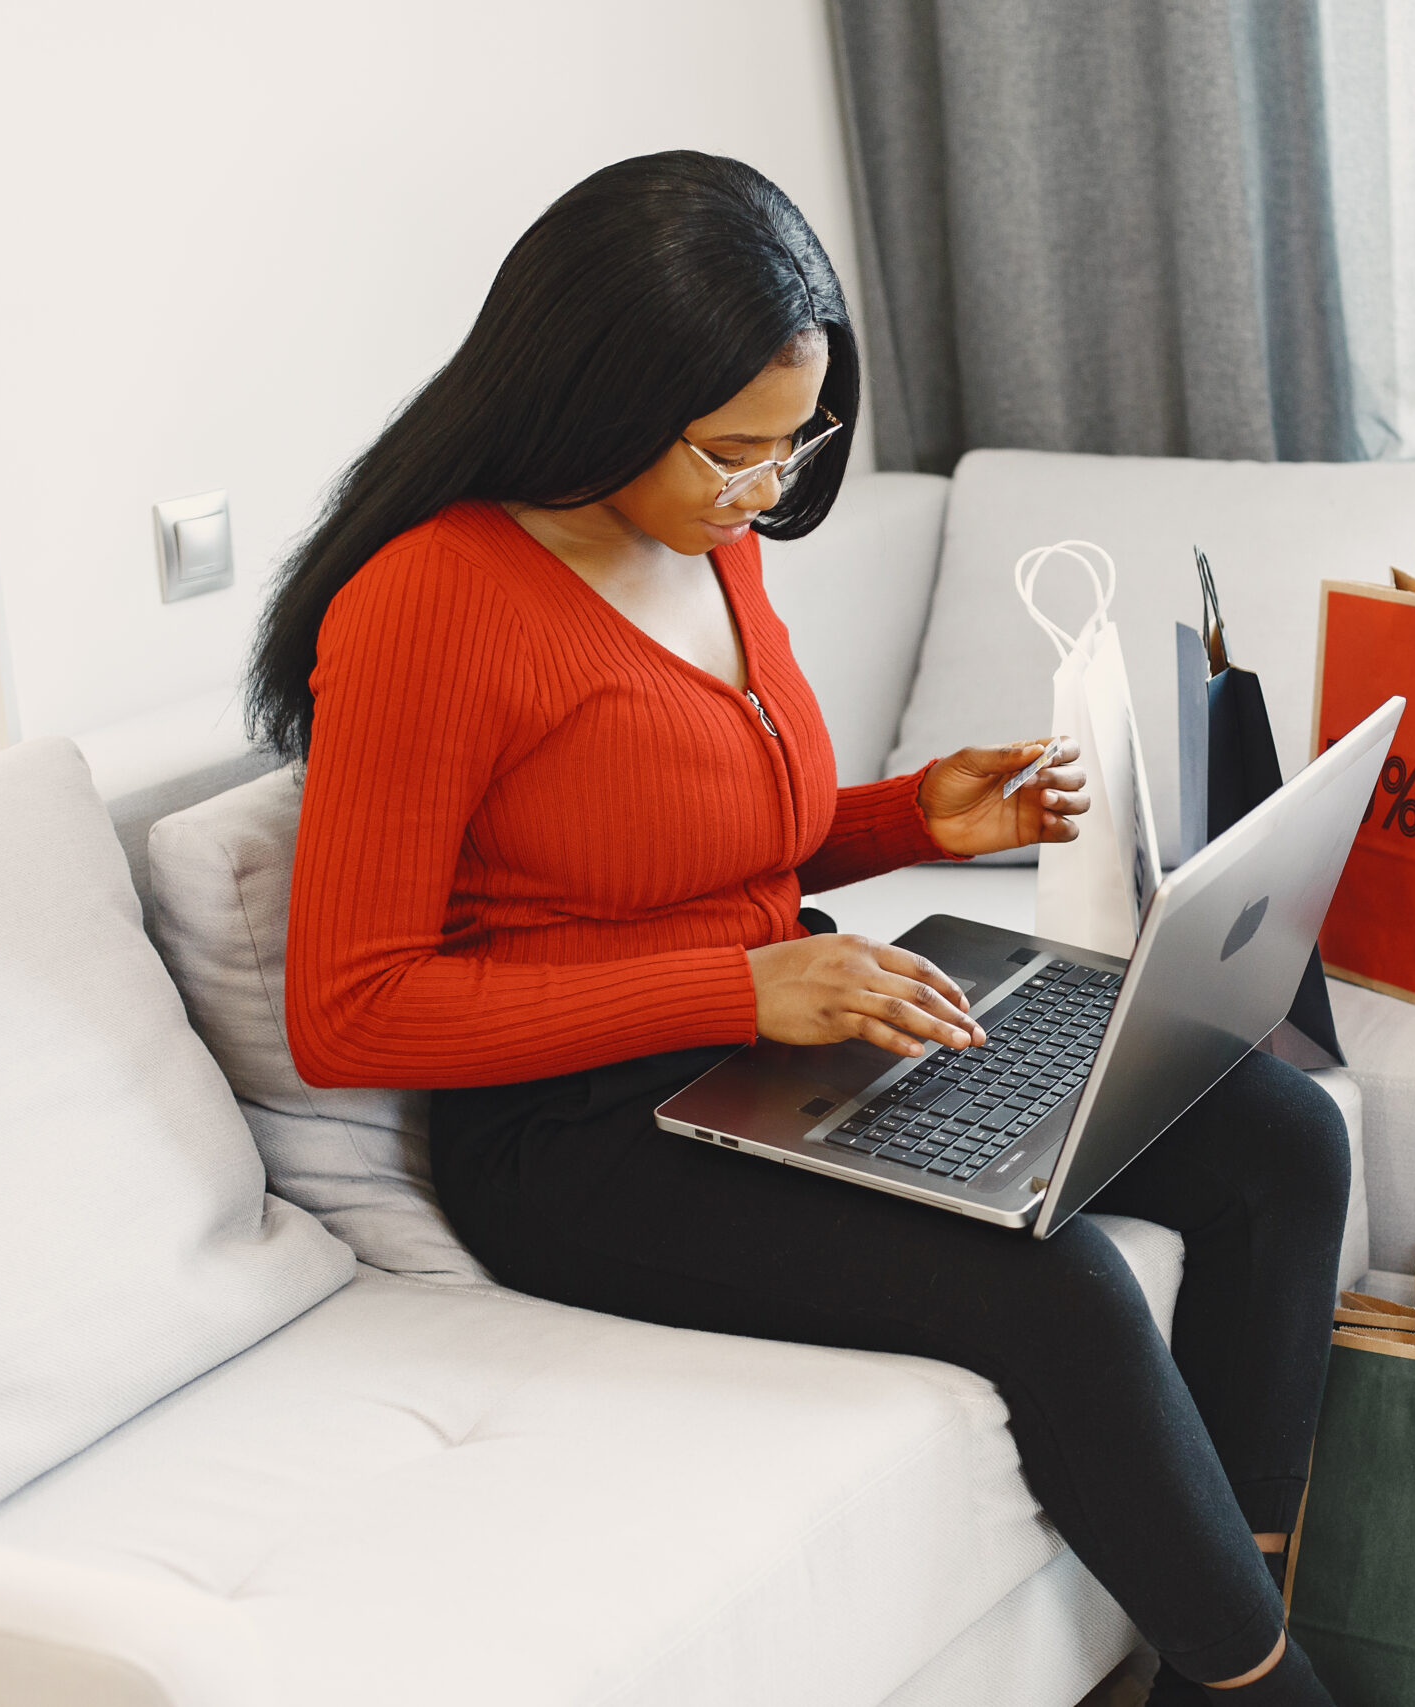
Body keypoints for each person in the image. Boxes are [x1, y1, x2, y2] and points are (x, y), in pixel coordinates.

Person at [248, 152, 1347, 1705]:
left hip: (786, 1030)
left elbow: (693, 836)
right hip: (583, 1137)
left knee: (1279, 1135)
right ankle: (1271, 1692)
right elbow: (350, 1011)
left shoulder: (710, 529)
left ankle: (1217, 1635)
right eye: (735, 449)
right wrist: (737, 986)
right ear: (594, 394)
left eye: (794, 440)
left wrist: (912, 818)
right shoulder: (432, 606)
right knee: (1064, 1286)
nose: (766, 487)